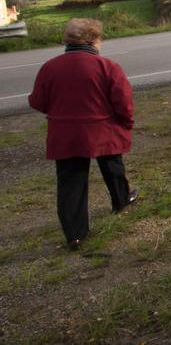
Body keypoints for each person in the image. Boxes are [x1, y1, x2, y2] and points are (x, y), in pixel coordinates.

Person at [29, 18, 139, 251]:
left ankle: (75, 234)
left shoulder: (50, 67)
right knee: (113, 167)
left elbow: (37, 101)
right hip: (102, 129)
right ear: (93, 40)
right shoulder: (107, 67)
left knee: (70, 181)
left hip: (66, 132)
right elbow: (123, 102)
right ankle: (121, 201)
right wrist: (126, 123)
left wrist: (59, 110)